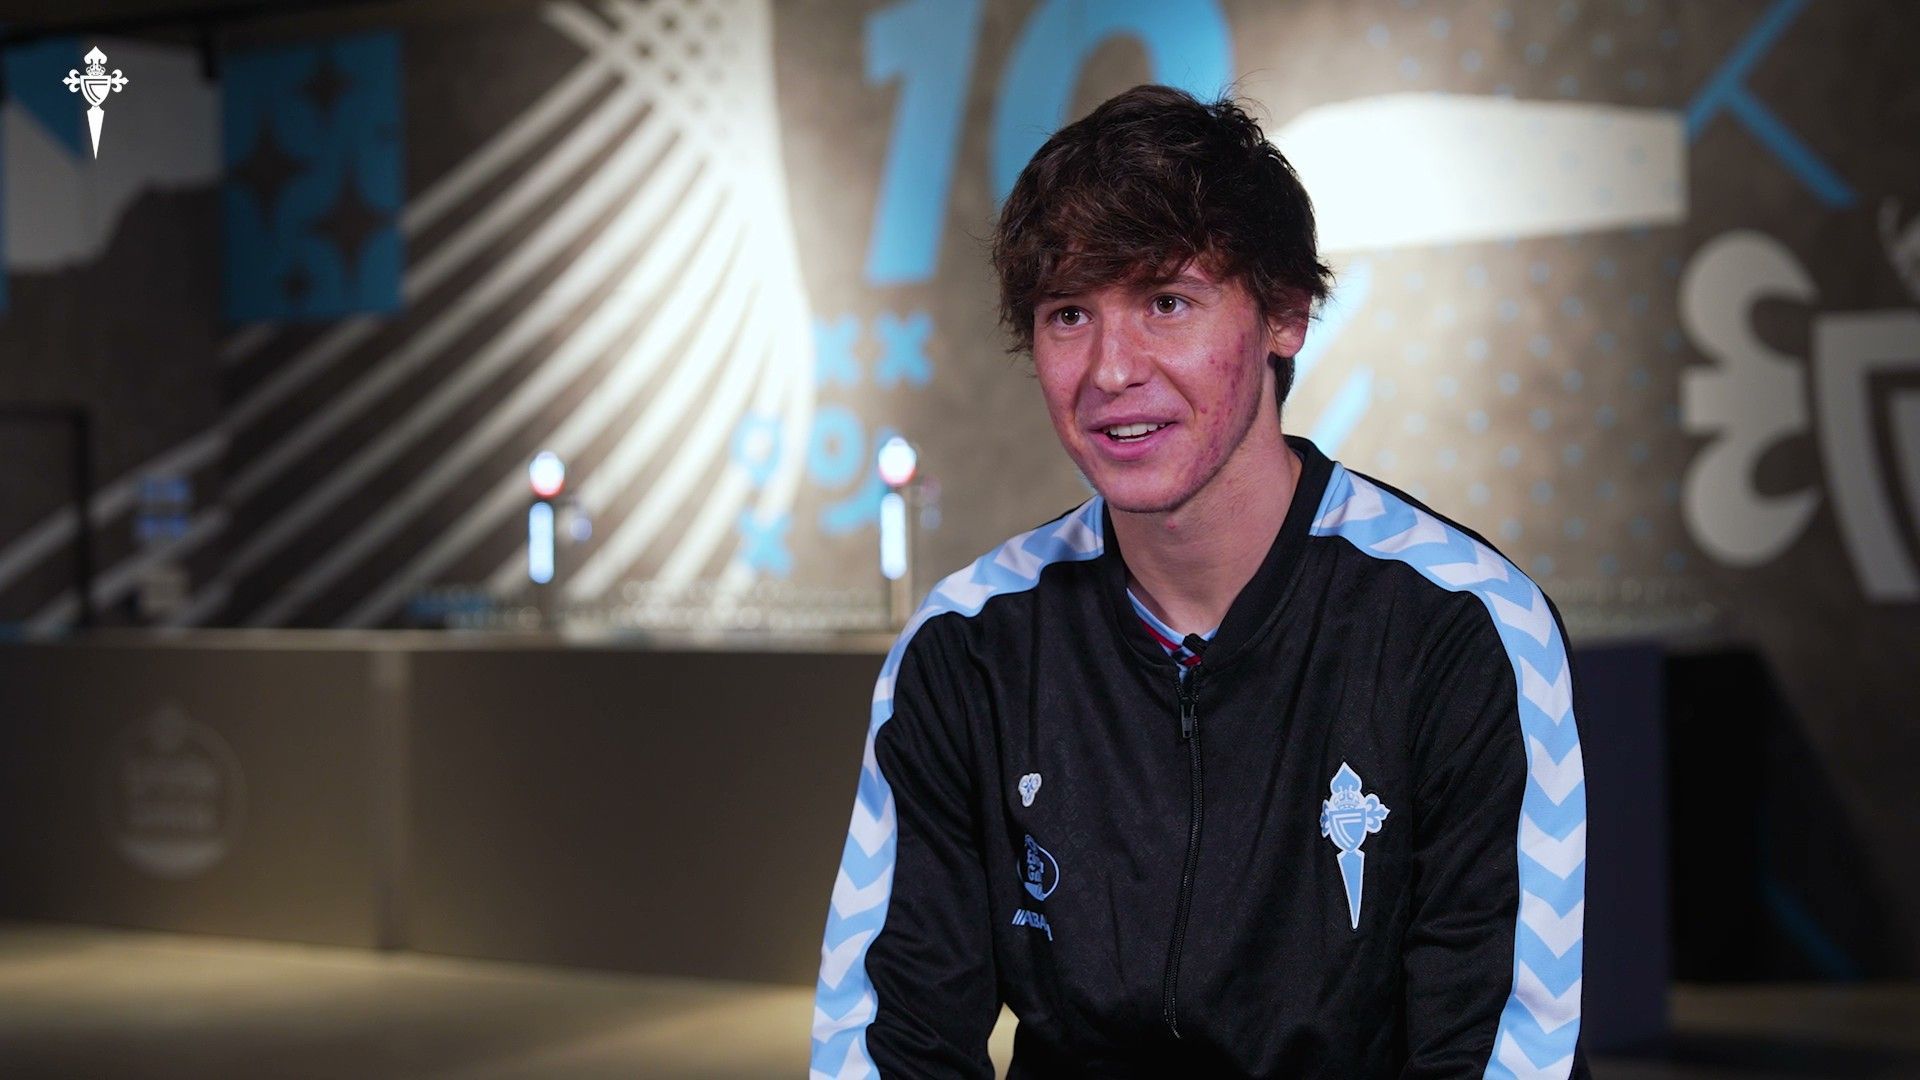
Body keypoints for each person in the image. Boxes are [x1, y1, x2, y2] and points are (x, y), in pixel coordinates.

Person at [811, 84, 1589, 1079]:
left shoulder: (1464, 627)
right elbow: (889, 1038)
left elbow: (1502, 1049)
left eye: (1166, 302)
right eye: (1068, 314)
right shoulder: (970, 645)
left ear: (1286, 314)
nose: (1110, 370)